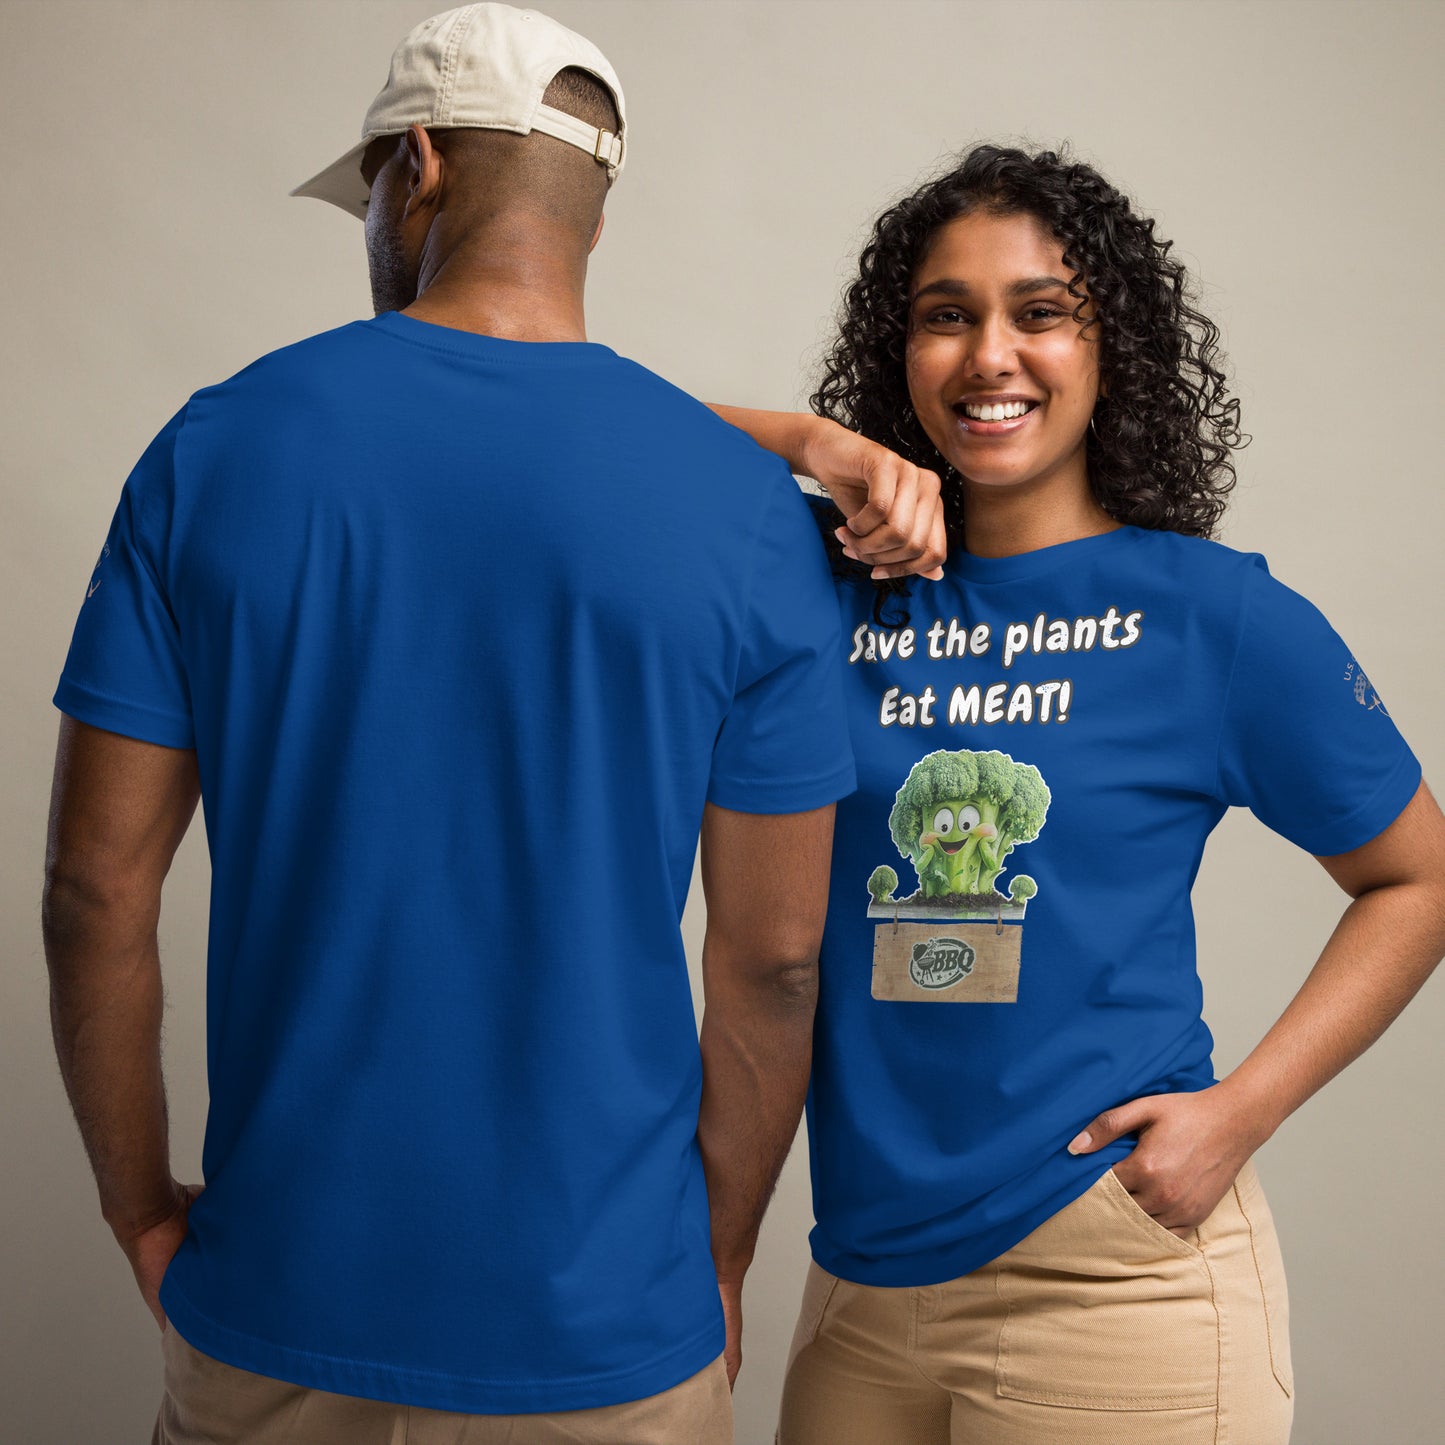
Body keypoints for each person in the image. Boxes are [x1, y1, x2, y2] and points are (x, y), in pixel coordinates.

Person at [41, 5, 855, 1442]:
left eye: (364, 191)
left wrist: (138, 1210)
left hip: (277, 1301)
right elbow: (773, 963)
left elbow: (93, 889)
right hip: (607, 1332)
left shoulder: (214, 451)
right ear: (595, 210)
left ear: (412, 169)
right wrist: (712, 1264)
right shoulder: (743, 517)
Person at [711, 143, 1445, 1444]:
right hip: (859, 1281)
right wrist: (814, 443)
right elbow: (595, 435)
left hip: (1111, 1276)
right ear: (901, 348)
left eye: (1039, 312)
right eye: (947, 315)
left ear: (1113, 349)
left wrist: (1243, 1108)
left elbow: (1417, 877)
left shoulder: (1211, 617)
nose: (990, 354)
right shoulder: (821, 589)